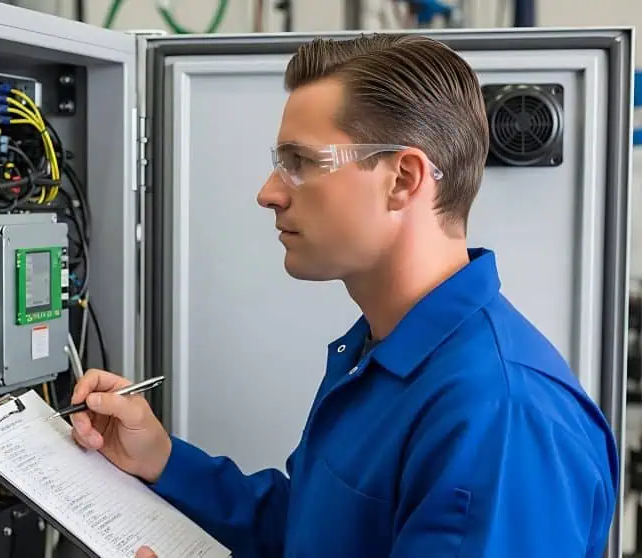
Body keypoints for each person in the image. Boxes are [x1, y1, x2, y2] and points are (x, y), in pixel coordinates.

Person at [69, 34, 619, 558]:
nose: (269, 193)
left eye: (301, 163)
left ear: (403, 179)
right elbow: (318, 535)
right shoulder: (380, 353)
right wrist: (165, 463)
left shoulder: (500, 417)